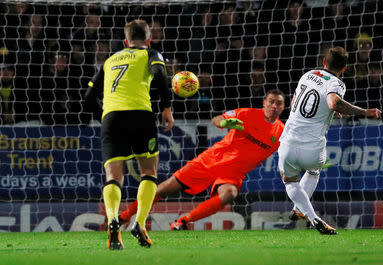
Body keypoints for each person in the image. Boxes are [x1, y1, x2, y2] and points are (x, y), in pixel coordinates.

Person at [119, 89, 286, 230]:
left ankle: (183, 221)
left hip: (233, 173)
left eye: (278, 103)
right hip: (211, 160)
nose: (274, 106)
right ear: (264, 102)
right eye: (271, 101)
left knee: (229, 194)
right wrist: (225, 124)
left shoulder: (282, 132)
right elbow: (217, 119)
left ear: (283, 107)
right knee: (164, 189)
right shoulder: (247, 114)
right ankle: (124, 216)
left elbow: (290, 152)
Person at [84, 19, 174, 250]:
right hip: (140, 115)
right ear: (148, 39)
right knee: (149, 171)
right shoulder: (151, 53)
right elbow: (161, 76)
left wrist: (104, 118)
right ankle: (140, 223)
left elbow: (87, 98)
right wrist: (166, 107)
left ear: (125, 41)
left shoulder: (110, 60)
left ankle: (113, 218)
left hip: (111, 118)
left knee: (113, 176)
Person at [278, 47, 381, 235]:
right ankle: (300, 210)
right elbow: (333, 102)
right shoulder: (337, 83)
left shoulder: (308, 75)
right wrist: (365, 111)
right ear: (344, 68)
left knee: (290, 181)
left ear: (324, 62)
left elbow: (295, 103)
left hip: (289, 141)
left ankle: (310, 215)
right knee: (314, 170)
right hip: (313, 148)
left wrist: (330, 108)